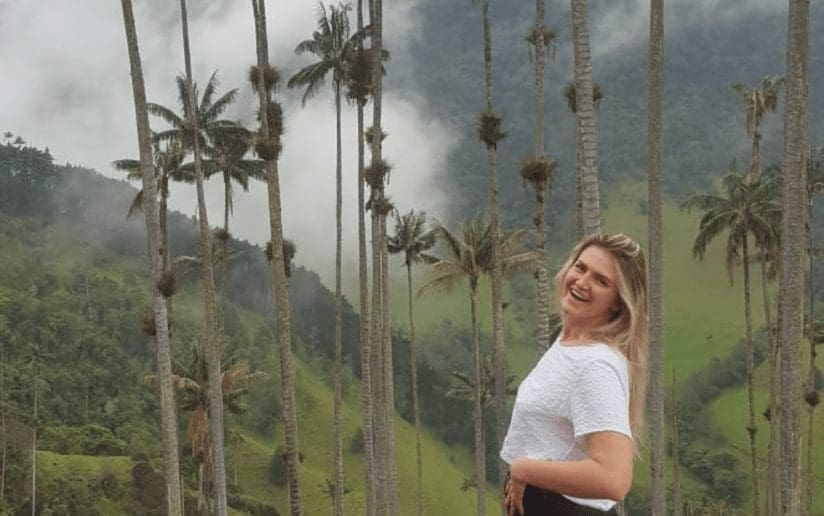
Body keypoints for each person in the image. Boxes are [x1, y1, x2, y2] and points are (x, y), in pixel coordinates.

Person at [500, 233, 648, 515]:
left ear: (617, 302)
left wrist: (523, 469)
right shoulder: (573, 339)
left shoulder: (595, 365)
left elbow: (613, 479)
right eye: (580, 268)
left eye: (601, 280)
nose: (582, 282)